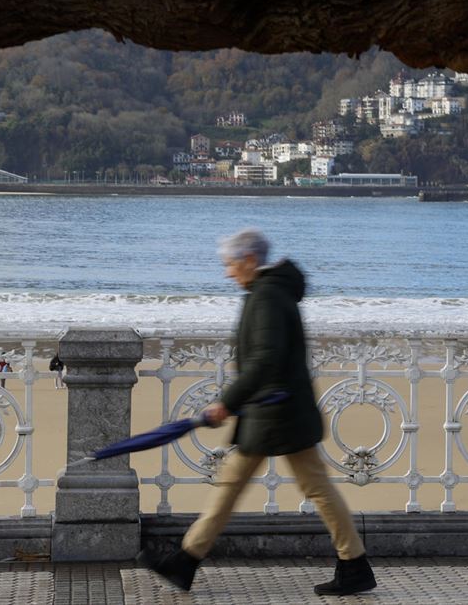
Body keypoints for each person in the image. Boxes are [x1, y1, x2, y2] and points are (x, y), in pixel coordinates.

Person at [139, 228, 376, 596]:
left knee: (302, 487)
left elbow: (265, 359)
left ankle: (354, 564)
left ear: (249, 260)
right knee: (250, 485)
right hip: (275, 411)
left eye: (230, 264)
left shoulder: (266, 296)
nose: (227, 272)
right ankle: (186, 560)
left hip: (277, 413)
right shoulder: (269, 292)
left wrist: (227, 403)